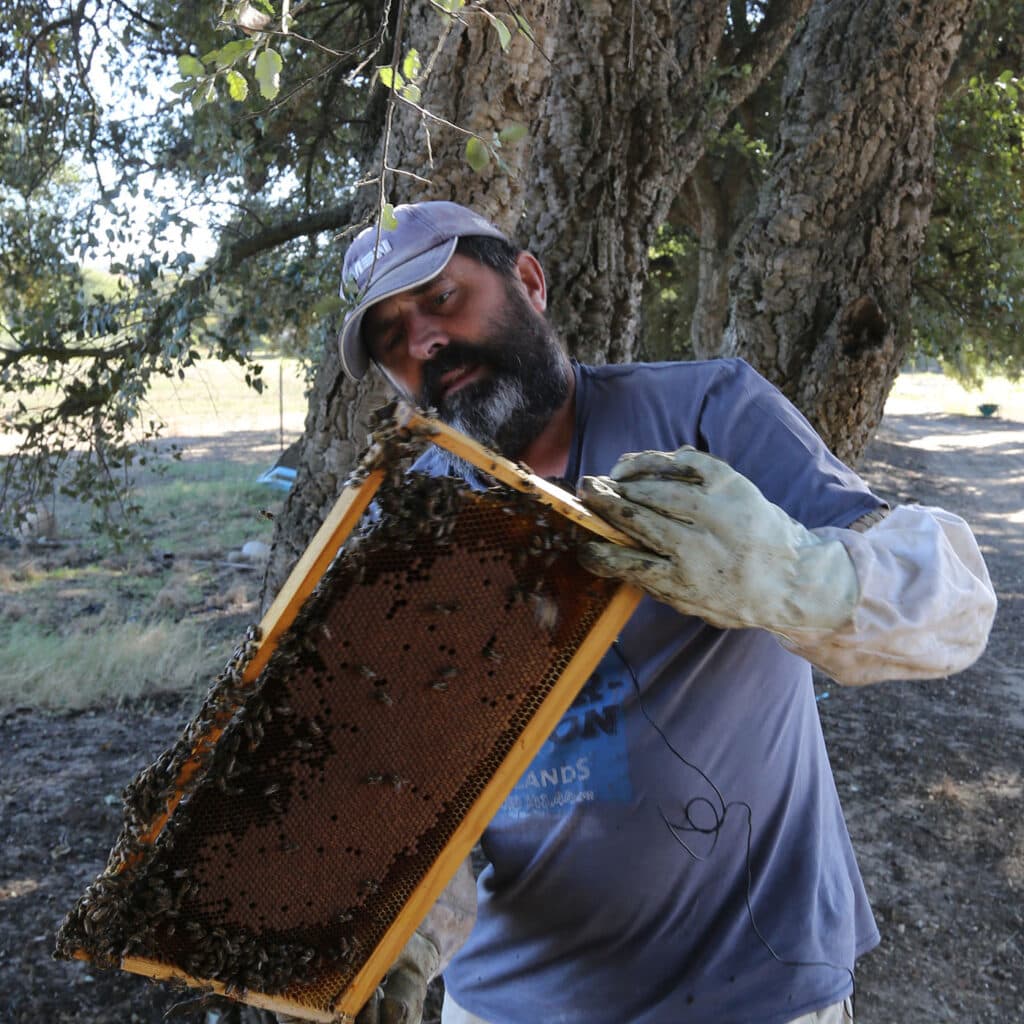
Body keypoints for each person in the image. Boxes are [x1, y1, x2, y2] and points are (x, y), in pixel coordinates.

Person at [332, 201, 997, 1024]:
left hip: (759, 990)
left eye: (440, 298)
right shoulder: (401, 521)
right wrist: (402, 936)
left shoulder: (707, 414)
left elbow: (958, 604)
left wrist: (797, 575)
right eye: (391, 338)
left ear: (529, 281)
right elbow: (423, 778)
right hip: (508, 1006)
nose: (423, 342)